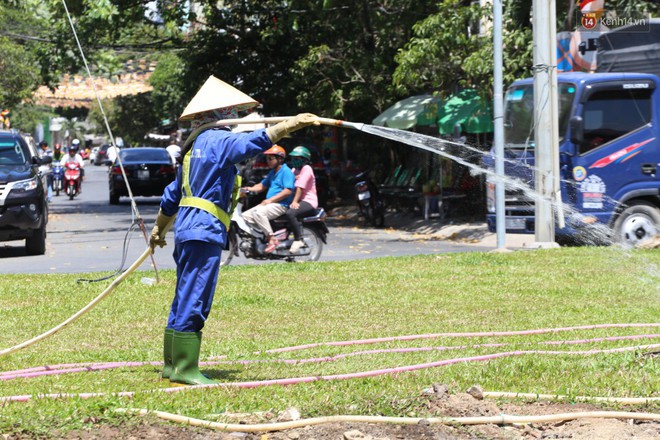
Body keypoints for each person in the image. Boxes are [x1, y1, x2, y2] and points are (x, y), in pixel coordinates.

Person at [149, 74, 318, 385]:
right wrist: (287, 127)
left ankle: (172, 366)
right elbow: (249, 144)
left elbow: (173, 194)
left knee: (184, 294)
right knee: (196, 295)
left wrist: (159, 229)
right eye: (233, 112)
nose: (236, 117)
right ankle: (186, 369)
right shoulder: (218, 140)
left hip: (186, 228)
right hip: (204, 228)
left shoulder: (193, 147)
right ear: (219, 114)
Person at [241, 145, 295, 253]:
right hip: (270, 204)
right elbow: (261, 186)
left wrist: (270, 200)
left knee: (258, 213)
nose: (268, 161)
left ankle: (272, 239)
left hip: (281, 204)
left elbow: (288, 190)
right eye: (267, 158)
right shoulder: (272, 173)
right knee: (244, 217)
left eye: (270, 158)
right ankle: (261, 239)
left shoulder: (286, 171)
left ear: (280, 159)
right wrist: (247, 189)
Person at [285, 146, 318, 253]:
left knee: (291, 213)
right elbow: (288, 181)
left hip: (308, 201)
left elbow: (300, 187)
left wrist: (294, 202)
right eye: (293, 158)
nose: (294, 161)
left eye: (297, 158)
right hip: (298, 200)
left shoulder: (307, 169)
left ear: (304, 160)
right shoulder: (294, 170)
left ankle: (298, 239)